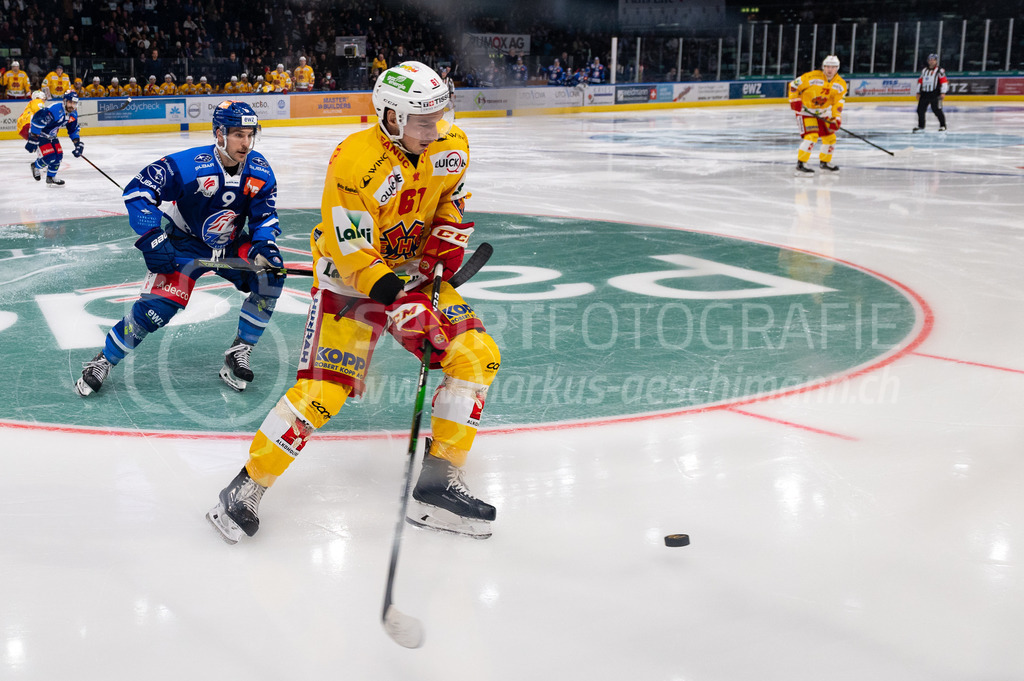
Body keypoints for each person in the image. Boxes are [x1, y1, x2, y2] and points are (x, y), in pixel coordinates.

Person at [207, 61, 501, 544]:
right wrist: (403, 305)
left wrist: (443, 243)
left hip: (411, 275)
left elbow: (449, 198)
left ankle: (436, 484)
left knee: (476, 358)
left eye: (439, 117)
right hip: (353, 283)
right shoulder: (353, 162)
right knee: (325, 393)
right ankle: (245, 489)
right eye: (423, 121)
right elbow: (352, 254)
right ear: (390, 117)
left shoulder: (451, 145)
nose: (436, 130)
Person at [75, 101, 285, 397]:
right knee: (155, 311)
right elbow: (138, 191)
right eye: (238, 134)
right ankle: (103, 360)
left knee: (271, 278)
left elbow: (265, 216)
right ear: (219, 133)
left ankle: (240, 349)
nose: (246, 143)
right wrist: (152, 237)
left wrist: (265, 245)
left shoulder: (260, 171)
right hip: (184, 244)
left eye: (250, 134)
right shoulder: (191, 164)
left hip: (230, 244)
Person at [788, 54, 847, 175]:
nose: (830, 70)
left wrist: (836, 117)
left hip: (823, 113)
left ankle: (824, 162)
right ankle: (801, 163)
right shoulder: (811, 76)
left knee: (830, 138)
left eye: (833, 67)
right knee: (811, 136)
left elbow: (838, 103)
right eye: (827, 66)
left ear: (837, 68)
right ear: (823, 67)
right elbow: (794, 85)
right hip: (806, 112)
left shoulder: (841, 84)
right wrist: (794, 100)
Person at [26, 90, 83, 187]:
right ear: (64, 101)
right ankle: (35, 166)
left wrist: (77, 144)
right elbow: (37, 119)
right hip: (41, 134)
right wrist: (33, 137)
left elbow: (73, 130)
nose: (72, 105)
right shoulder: (55, 110)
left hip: (52, 135)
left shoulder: (73, 114)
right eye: (70, 102)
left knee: (58, 156)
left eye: (74, 103)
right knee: (50, 157)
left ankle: (51, 177)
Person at [914, 53, 948, 132]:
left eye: (933, 60)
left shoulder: (940, 71)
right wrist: (918, 92)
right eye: (930, 60)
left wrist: (943, 92)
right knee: (920, 110)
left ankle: (943, 125)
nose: (931, 61)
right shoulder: (924, 70)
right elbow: (920, 81)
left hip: (935, 94)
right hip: (924, 93)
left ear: (936, 61)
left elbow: (944, 82)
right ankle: (921, 126)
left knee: (937, 110)